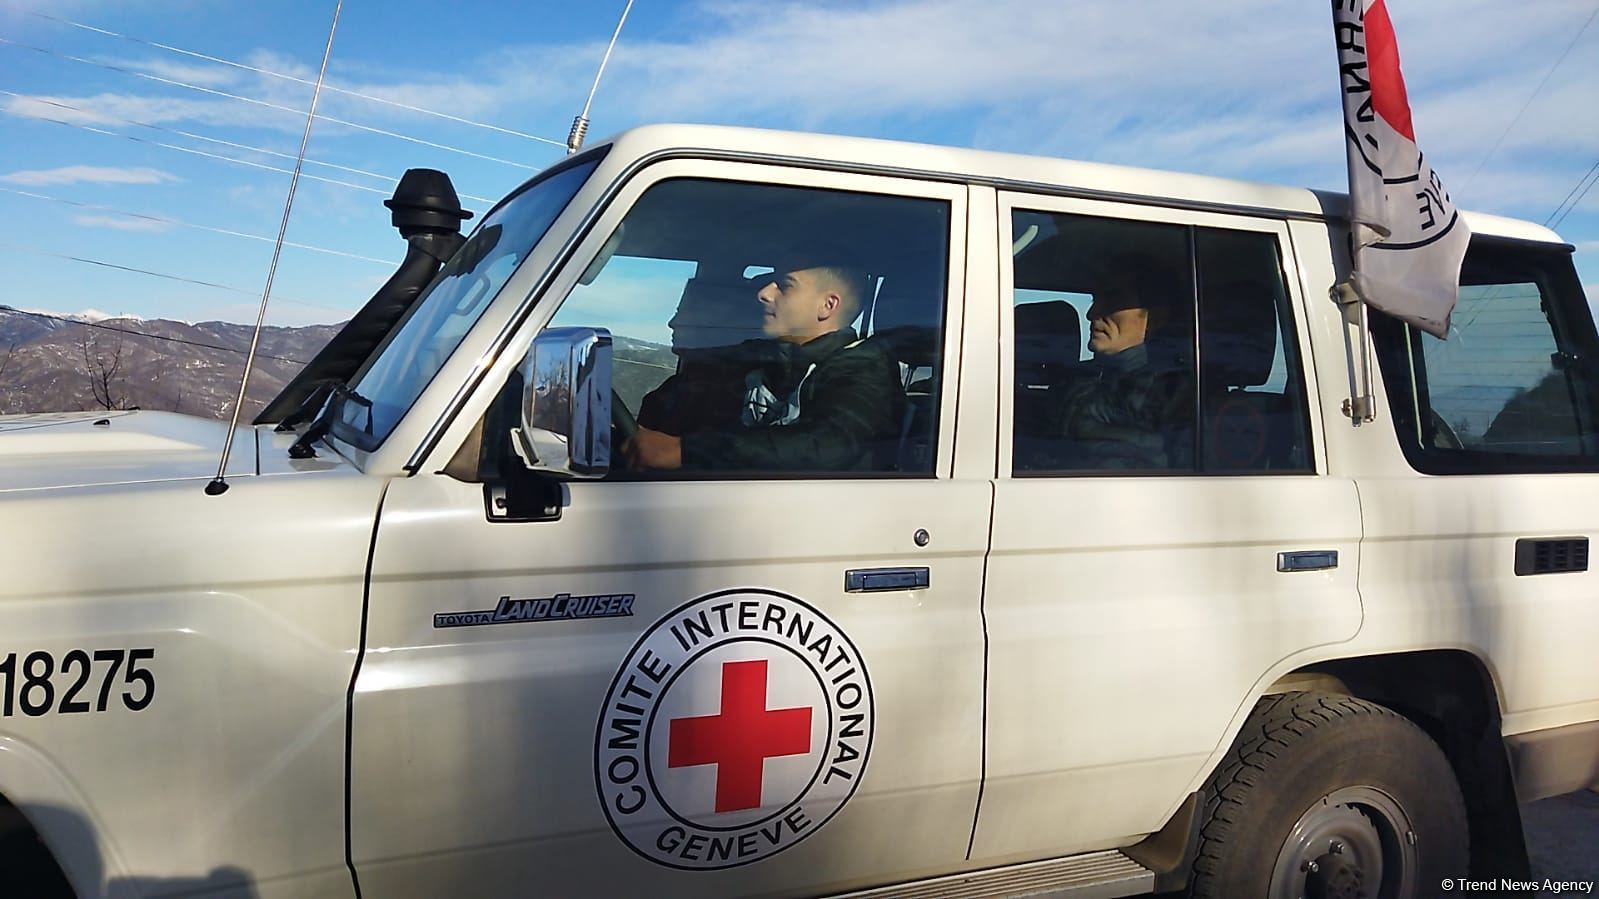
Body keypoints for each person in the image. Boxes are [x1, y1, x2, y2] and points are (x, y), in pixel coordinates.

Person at [623, 252, 901, 472]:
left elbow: (827, 445)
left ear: (828, 305)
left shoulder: (865, 370)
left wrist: (684, 451)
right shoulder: (763, 359)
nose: (764, 293)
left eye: (785, 285)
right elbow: (688, 389)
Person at [1041, 280, 1193, 470]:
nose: (1091, 314)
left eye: (1113, 300)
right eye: (1095, 301)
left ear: (1155, 319)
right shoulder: (1076, 381)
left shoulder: (1170, 390)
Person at [634, 275, 766, 437]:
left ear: (721, 324)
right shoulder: (674, 388)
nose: (673, 322)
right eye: (678, 312)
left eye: (688, 314)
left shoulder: (744, 397)